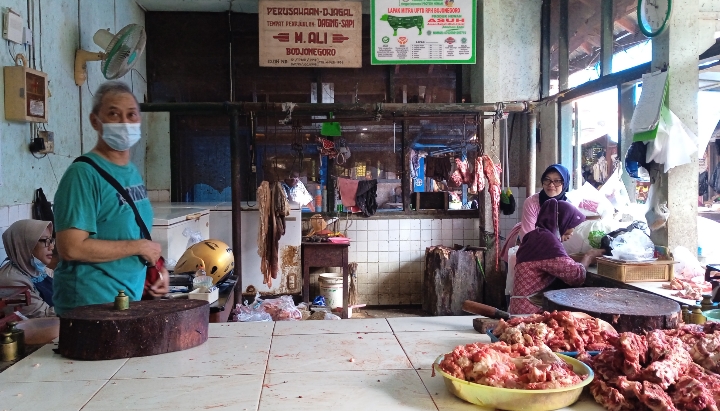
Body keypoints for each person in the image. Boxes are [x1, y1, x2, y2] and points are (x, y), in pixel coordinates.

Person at [52, 81, 169, 315]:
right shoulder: (83, 175)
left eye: (131, 114)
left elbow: (128, 232)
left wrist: (155, 268)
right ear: (96, 121)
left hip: (126, 300)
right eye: (114, 114)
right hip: (90, 304)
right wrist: (138, 247)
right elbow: (70, 248)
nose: (124, 122)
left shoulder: (131, 172)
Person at [508, 199, 604, 315]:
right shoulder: (546, 240)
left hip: (519, 306)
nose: (572, 231)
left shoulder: (535, 235)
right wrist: (589, 256)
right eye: (571, 225)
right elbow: (576, 276)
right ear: (561, 221)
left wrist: (578, 258)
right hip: (531, 311)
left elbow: (552, 262)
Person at [501, 164, 572, 261]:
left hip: (553, 252)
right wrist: (559, 237)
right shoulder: (532, 202)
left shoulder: (569, 205)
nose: (551, 184)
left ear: (565, 183)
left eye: (557, 181)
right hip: (524, 248)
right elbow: (528, 237)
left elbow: (568, 234)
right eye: (547, 179)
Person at [0, 220, 56, 318]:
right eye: (45, 241)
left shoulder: (37, 269)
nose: (51, 247)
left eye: (51, 240)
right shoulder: (11, 281)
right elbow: (45, 315)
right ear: (25, 244)